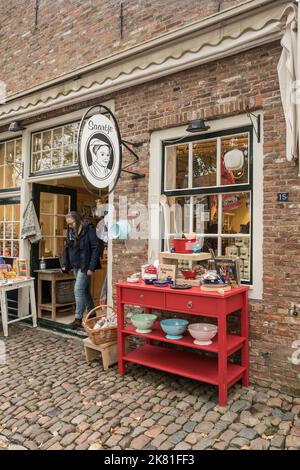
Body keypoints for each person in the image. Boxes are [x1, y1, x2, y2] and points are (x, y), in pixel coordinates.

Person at [62, 211, 103, 328]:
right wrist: (66, 264)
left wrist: (91, 267)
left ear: (78, 220)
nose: (70, 226)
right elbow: (68, 247)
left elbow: (96, 248)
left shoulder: (89, 229)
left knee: (78, 289)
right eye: (68, 224)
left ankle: (78, 319)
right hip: (75, 264)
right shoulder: (71, 231)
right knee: (84, 290)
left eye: (72, 223)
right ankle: (92, 312)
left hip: (85, 265)